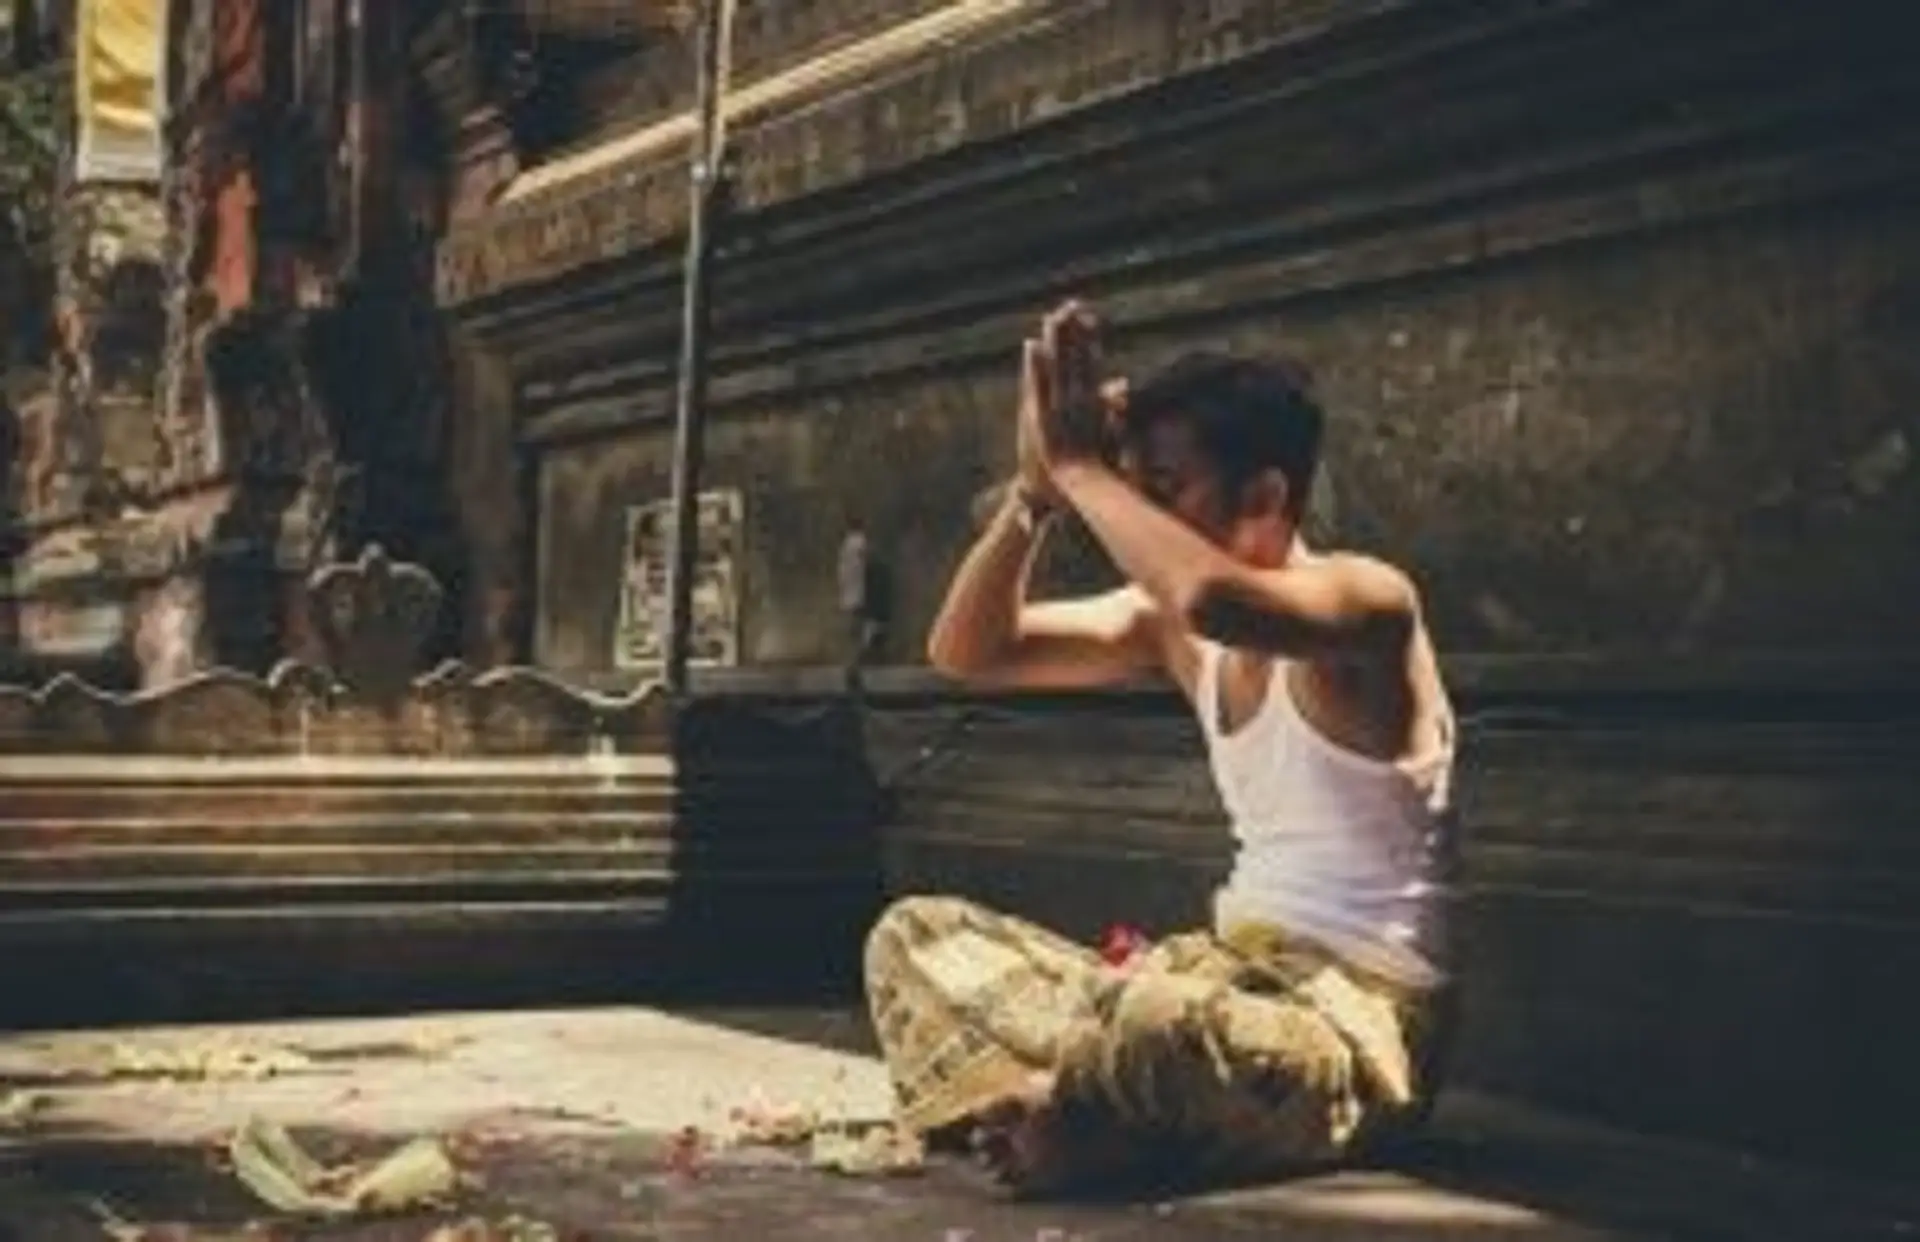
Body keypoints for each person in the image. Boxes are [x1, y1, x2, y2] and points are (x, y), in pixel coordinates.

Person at [862, 300, 1458, 1197]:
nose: (1132, 518)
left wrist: (1080, 467)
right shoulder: (1169, 624)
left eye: (1164, 490)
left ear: (1263, 497)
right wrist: (1036, 499)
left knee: (1149, 1018)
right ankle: (1077, 1116)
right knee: (915, 937)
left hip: (1349, 1032)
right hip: (1214, 977)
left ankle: (1069, 1114)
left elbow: (1213, 598)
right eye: (1131, 489)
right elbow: (968, 652)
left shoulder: (1369, 602)